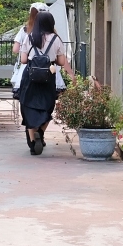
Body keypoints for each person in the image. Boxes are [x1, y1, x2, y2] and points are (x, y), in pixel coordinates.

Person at [17, 11, 75, 155]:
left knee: (28, 106)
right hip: (48, 76)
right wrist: (70, 73)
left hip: (30, 77)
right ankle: (41, 132)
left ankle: (32, 141)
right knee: (47, 105)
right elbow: (61, 61)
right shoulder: (55, 39)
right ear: (51, 23)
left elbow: (24, 60)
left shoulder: (29, 37)